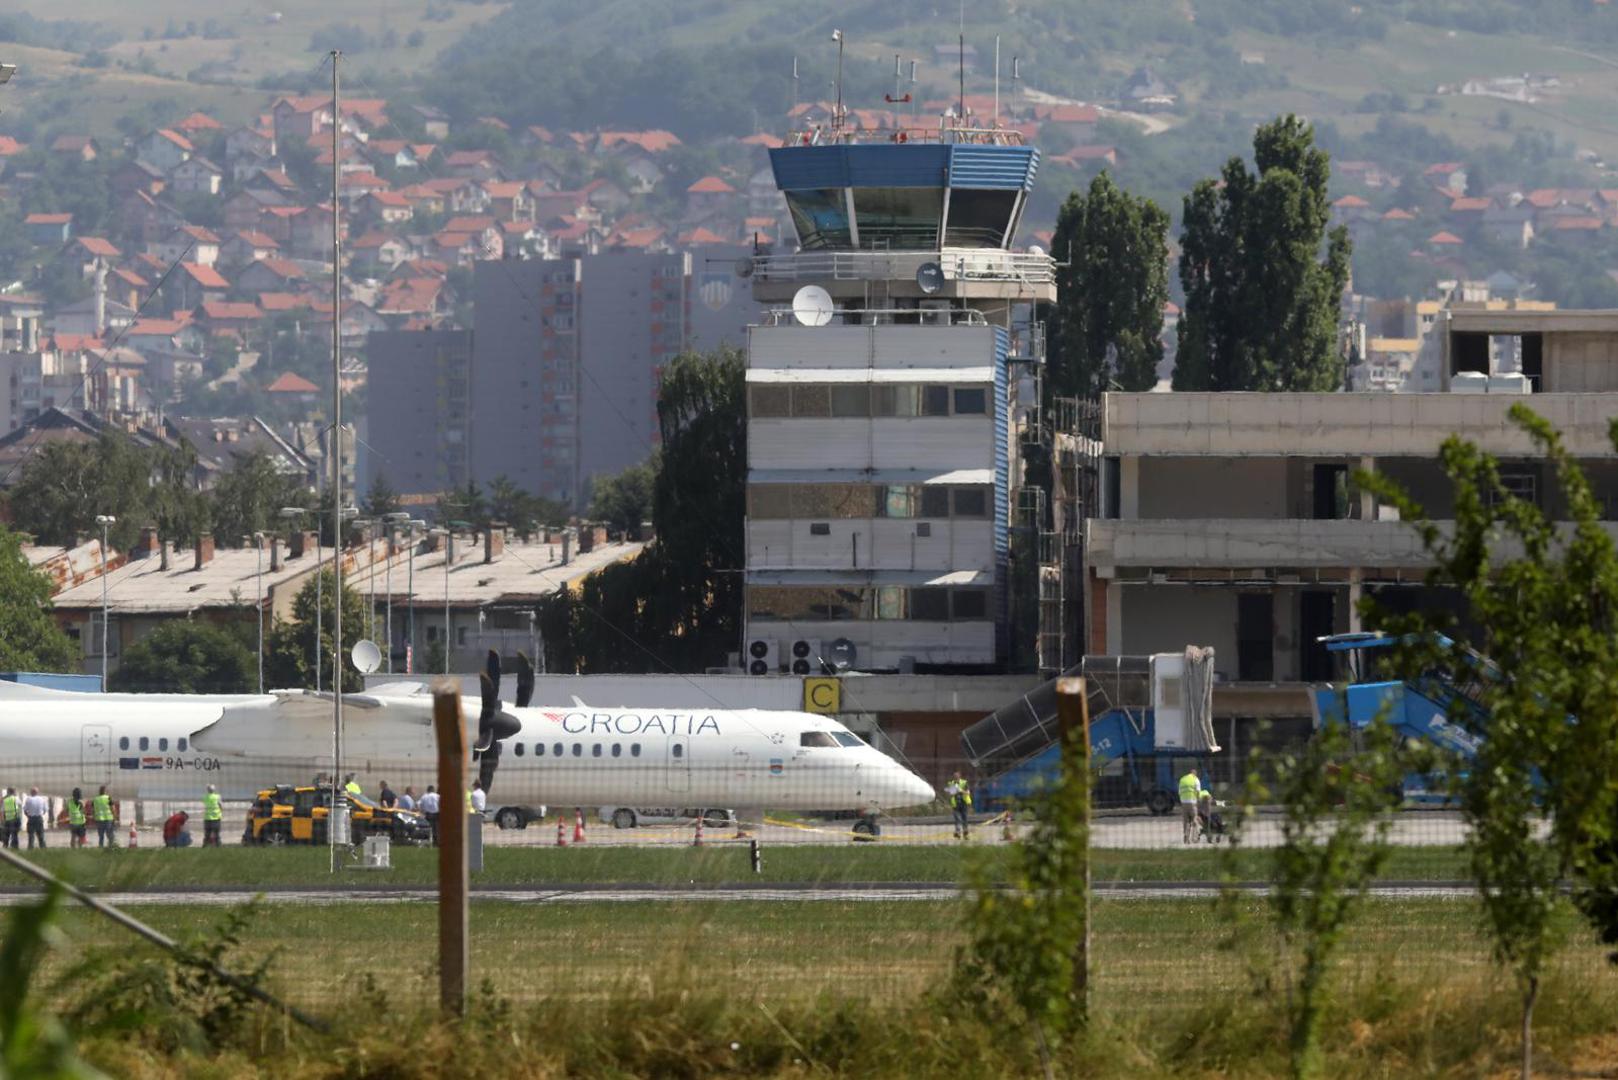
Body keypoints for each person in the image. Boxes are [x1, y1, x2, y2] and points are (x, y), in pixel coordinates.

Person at [1178, 767, 1203, 845]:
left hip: (1183, 803)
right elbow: (1198, 792)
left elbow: (1179, 792)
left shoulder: (1182, 779)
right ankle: (1195, 838)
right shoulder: (1195, 779)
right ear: (1195, 773)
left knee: (1186, 821)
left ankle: (1186, 837)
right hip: (1192, 802)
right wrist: (1198, 802)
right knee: (1194, 820)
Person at [945, 772, 972, 840]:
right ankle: (958, 832)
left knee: (964, 819)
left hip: (964, 803)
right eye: (955, 777)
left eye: (957, 777)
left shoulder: (964, 783)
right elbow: (950, 794)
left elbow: (968, 792)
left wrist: (960, 790)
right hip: (955, 804)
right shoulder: (951, 783)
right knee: (957, 819)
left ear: (959, 777)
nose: (956, 778)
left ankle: (965, 833)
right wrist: (951, 792)